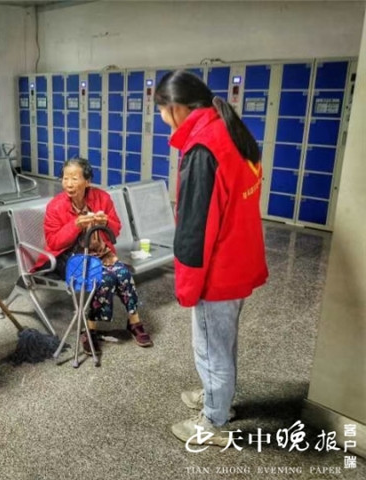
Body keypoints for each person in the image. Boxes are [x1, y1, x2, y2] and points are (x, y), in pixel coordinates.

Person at [154, 70, 268, 447]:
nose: (161, 118)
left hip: (217, 273)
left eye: (161, 111)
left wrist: (187, 287)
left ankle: (214, 421)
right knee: (222, 340)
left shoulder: (203, 149)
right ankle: (217, 396)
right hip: (239, 260)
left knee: (210, 346)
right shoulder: (228, 131)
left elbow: (194, 230)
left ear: (176, 108)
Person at [34, 157, 153, 357]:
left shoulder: (102, 198)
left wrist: (105, 223)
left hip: (99, 252)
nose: (69, 184)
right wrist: (76, 225)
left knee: (123, 273)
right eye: (65, 178)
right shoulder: (55, 206)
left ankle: (134, 322)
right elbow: (54, 242)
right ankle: (89, 330)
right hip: (68, 258)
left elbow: (115, 232)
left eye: (74, 178)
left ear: (87, 181)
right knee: (102, 278)